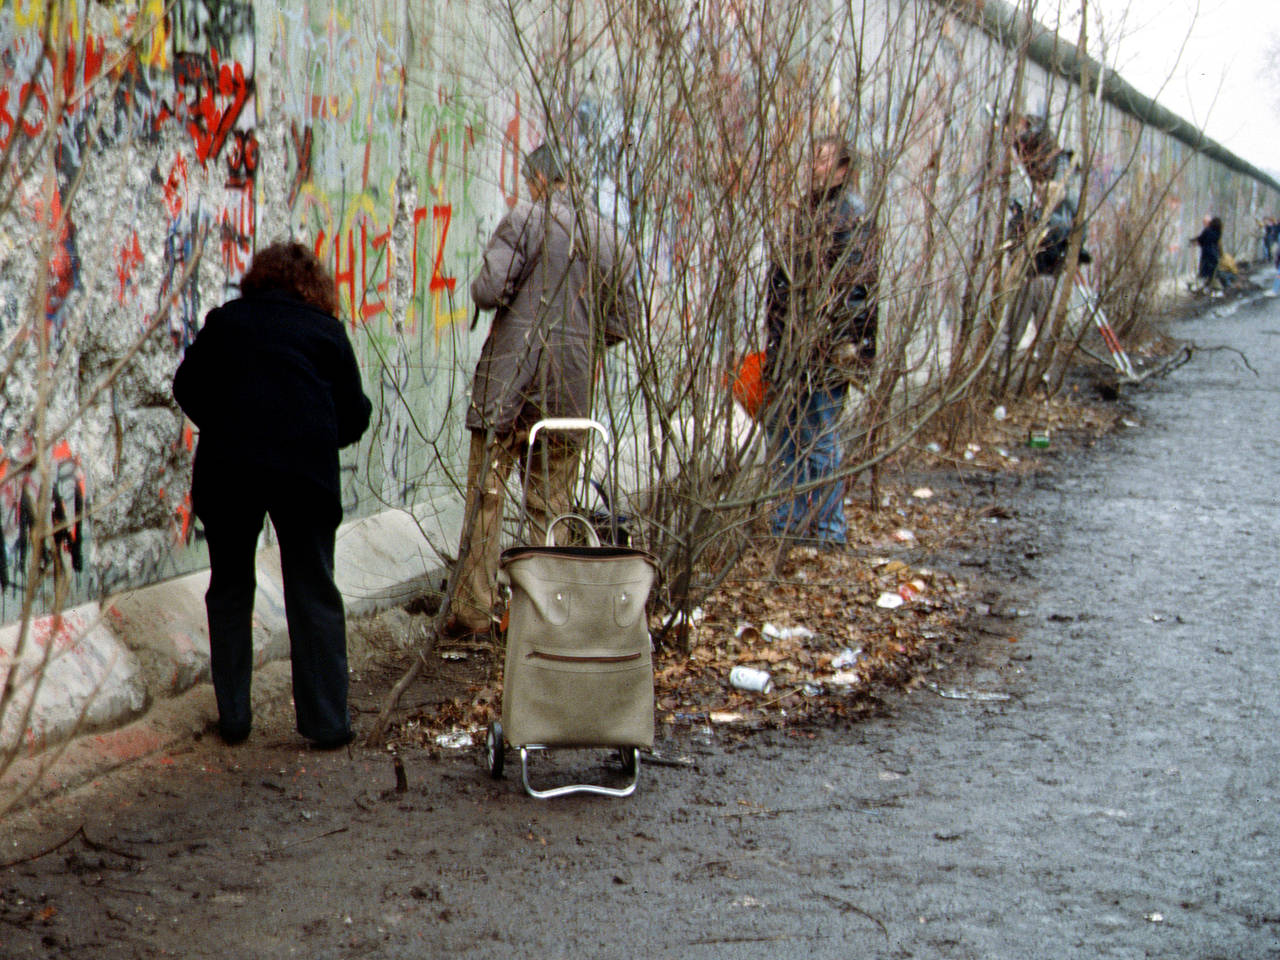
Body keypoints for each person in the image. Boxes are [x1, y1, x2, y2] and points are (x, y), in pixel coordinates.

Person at [173, 241, 371, 747]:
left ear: (257, 280)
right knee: (313, 591)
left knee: (232, 588)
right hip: (304, 472)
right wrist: (317, 433)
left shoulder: (227, 323)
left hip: (230, 466)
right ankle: (327, 723)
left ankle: (235, 718)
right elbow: (355, 412)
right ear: (314, 286)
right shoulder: (326, 332)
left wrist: (226, 423)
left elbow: (186, 385)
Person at [448, 143, 640, 636]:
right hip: (570, 391)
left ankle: (473, 612)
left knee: (487, 496)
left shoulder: (527, 219)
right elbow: (621, 324)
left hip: (511, 381)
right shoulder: (612, 238)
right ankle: (537, 616)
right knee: (550, 503)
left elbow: (489, 289)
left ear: (538, 179)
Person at [765, 135, 879, 549]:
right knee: (788, 437)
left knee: (819, 440)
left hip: (823, 350)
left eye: (823, 159)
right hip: (796, 348)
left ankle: (829, 533)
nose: (813, 165)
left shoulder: (848, 216)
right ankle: (788, 528)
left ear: (843, 169)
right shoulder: (812, 211)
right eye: (812, 157)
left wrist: (839, 344)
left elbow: (854, 287)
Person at [1191, 215, 1223, 294]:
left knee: (1204, 272)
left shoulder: (1207, 230)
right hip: (1215, 255)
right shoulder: (1218, 233)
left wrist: (1193, 241)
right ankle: (1212, 289)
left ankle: (1203, 288)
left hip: (1207, 254)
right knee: (1213, 273)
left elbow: (1201, 239)